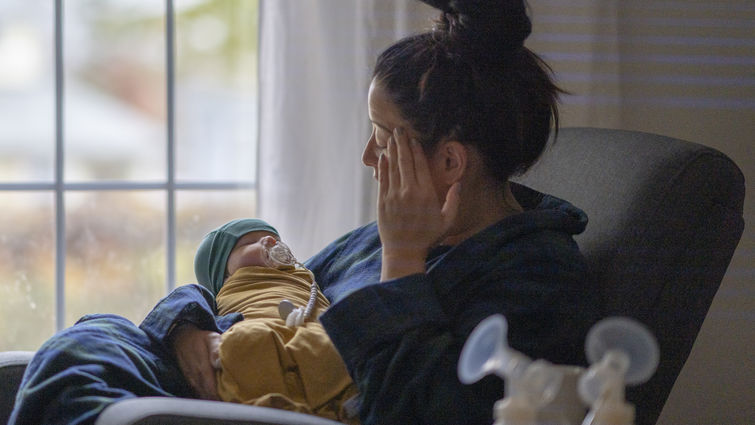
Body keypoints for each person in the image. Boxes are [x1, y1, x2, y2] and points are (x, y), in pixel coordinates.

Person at [10, 1, 600, 424]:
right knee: (90, 342)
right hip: (231, 379)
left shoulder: (535, 276)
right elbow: (270, 287)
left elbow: (417, 410)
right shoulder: (372, 240)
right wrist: (186, 324)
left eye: (381, 136)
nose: (369, 156)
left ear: (448, 161)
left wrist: (402, 264)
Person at [191, 218, 358, 423]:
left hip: (312, 332)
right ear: (221, 272)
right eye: (249, 242)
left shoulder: (305, 276)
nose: (270, 240)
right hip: (262, 328)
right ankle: (272, 407)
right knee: (242, 342)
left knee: (338, 342)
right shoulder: (223, 292)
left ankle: (340, 406)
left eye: (276, 239)